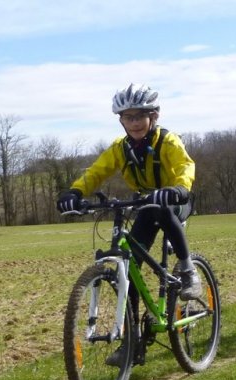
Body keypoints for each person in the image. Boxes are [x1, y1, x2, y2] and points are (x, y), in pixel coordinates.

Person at [56, 83, 202, 303]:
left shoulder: (167, 141)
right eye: (128, 117)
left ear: (153, 116)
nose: (134, 123)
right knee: (131, 265)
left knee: (162, 210)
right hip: (145, 203)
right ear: (121, 120)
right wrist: (75, 192)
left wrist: (179, 188)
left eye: (139, 116)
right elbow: (96, 172)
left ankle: (188, 270)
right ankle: (133, 333)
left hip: (175, 199)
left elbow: (185, 165)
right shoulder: (120, 148)